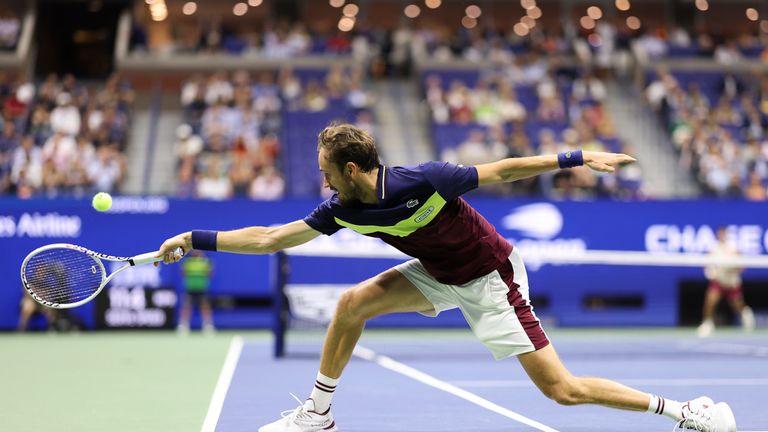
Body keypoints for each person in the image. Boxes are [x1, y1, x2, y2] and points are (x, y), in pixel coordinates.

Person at [155, 124, 736, 432]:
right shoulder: (342, 209)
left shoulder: (421, 180)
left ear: (351, 169)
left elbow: (505, 170)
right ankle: (318, 414)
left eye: (327, 172)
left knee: (562, 391)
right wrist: (191, 238)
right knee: (352, 304)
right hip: (435, 273)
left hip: (490, 278)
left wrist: (579, 159)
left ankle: (687, 412)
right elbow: (269, 237)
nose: (323, 181)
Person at [697, 226, 755, 338]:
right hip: (718, 281)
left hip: (732, 282)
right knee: (710, 300)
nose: (722, 235)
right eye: (720, 233)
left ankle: (746, 316)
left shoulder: (733, 247)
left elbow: (742, 266)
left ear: (727, 234)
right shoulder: (714, 247)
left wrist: (735, 267)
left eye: (724, 233)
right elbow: (706, 263)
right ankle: (707, 324)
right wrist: (709, 272)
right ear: (718, 234)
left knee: (737, 305)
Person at [177, 249, 215, 334]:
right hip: (189, 288)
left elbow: (211, 273)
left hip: (202, 288)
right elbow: (182, 273)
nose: (196, 252)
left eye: (198, 250)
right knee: (186, 306)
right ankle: (183, 325)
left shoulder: (206, 261)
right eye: (194, 250)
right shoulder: (187, 261)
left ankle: (208, 325)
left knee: (205, 306)